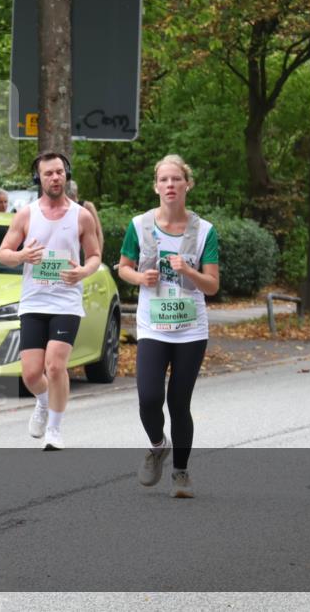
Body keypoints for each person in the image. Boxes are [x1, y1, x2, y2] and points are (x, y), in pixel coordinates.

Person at [116, 154, 219, 499]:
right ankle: (158, 445)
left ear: (187, 184)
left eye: (176, 179)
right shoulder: (139, 225)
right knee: (148, 398)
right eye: (164, 180)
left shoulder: (204, 231)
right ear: (156, 186)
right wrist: (138, 277)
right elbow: (123, 267)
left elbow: (212, 286)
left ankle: (181, 473)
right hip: (153, 326)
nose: (170, 185)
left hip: (191, 329)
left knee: (178, 402)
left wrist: (188, 271)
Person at [0, 152, 102, 451]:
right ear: (39, 179)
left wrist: (82, 271)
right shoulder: (26, 214)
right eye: (48, 174)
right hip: (33, 302)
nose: (55, 178)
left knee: (55, 367)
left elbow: (94, 255)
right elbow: (4, 252)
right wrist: (21, 256)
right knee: (31, 373)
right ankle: (43, 402)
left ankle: (54, 430)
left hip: (66, 302)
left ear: (66, 175)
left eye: (59, 172)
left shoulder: (81, 215)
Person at [65, 179, 105, 252]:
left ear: (76, 194)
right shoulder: (63, 209)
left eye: (72, 197)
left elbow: (99, 232)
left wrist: (98, 256)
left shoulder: (88, 207)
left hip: (87, 249)